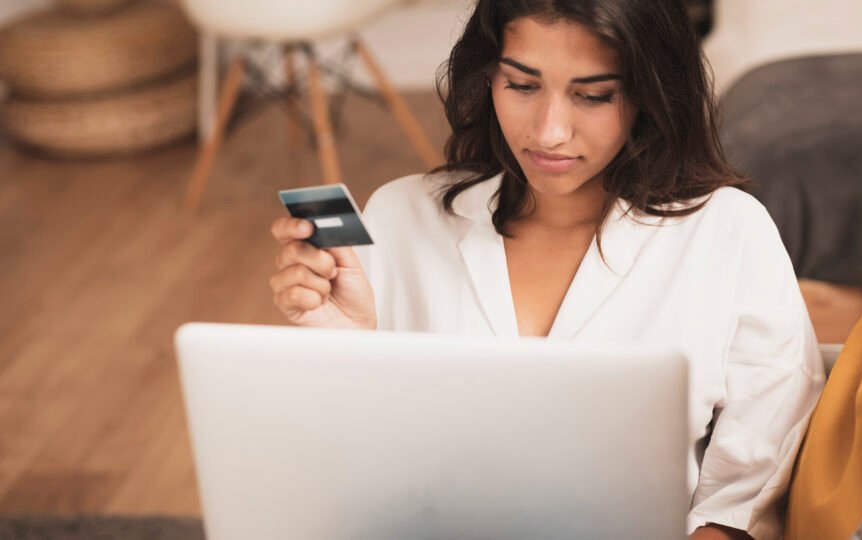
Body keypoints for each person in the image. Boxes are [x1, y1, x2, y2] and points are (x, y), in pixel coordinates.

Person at [269, 1, 825, 538]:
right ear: (487, 78)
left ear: (650, 96)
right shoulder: (400, 215)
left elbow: (754, 482)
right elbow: (346, 477)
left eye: (593, 95)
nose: (549, 131)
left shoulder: (727, 231)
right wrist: (346, 351)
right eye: (522, 85)